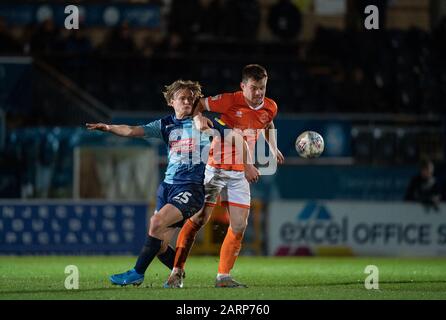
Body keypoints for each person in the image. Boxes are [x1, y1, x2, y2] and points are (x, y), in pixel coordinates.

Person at [86, 79, 259, 286]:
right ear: (171, 101)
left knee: (155, 223)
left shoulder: (205, 123)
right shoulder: (165, 124)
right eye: (182, 98)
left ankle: (137, 273)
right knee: (158, 243)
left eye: (190, 99)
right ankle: (177, 275)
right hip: (167, 187)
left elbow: (238, 140)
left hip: (191, 189)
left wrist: (248, 164)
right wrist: (108, 127)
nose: (186, 102)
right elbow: (132, 130)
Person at [165, 64, 284, 288]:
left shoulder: (270, 106)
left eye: (262, 88)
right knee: (199, 219)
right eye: (254, 88)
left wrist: (273, 147)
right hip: (216, 167)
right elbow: (199, 103)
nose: (258, 93)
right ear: (243, 86)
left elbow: (267, 122)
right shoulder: (230, 100)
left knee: (239, 226)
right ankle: (176, 271)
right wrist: (198, 117)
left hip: (239, 174)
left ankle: (223, 277)